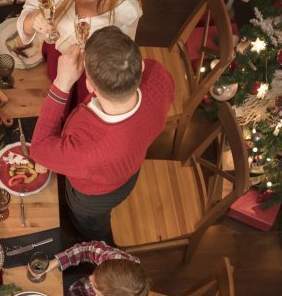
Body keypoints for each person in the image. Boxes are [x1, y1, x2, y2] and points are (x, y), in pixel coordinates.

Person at [30, 26, 174, 244]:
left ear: (88, 86)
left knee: (90, 225)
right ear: (141, 65)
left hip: (93, 198)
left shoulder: (86, 149)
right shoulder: (158, 75)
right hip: (130, 169)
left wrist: (62, 83)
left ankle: (94, 242)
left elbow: (39, 150)